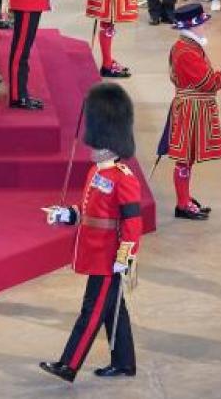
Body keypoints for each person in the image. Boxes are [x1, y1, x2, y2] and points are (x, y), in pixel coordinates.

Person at [40, 83, 142, 382]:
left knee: (92, 313)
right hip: (95, 250)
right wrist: (66, 214)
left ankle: (68, 365)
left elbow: (132, 224)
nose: (91, 147)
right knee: (112, 310)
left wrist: (125, 256)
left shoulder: (124, 178)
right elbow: (92, 214)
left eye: (95, 143)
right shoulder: (96, 172)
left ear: (109, 143)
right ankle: (124, 362)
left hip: (109, 257)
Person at [161, 2, 221, 220]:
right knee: (184, 158)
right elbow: (207, 82)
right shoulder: (186, 52)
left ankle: (185, 198)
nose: (205, 28)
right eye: (201, 24)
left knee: (188, 158)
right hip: (191, 111)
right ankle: (182, 204)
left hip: (193, 108)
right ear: (192, 27)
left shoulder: (188, 46)